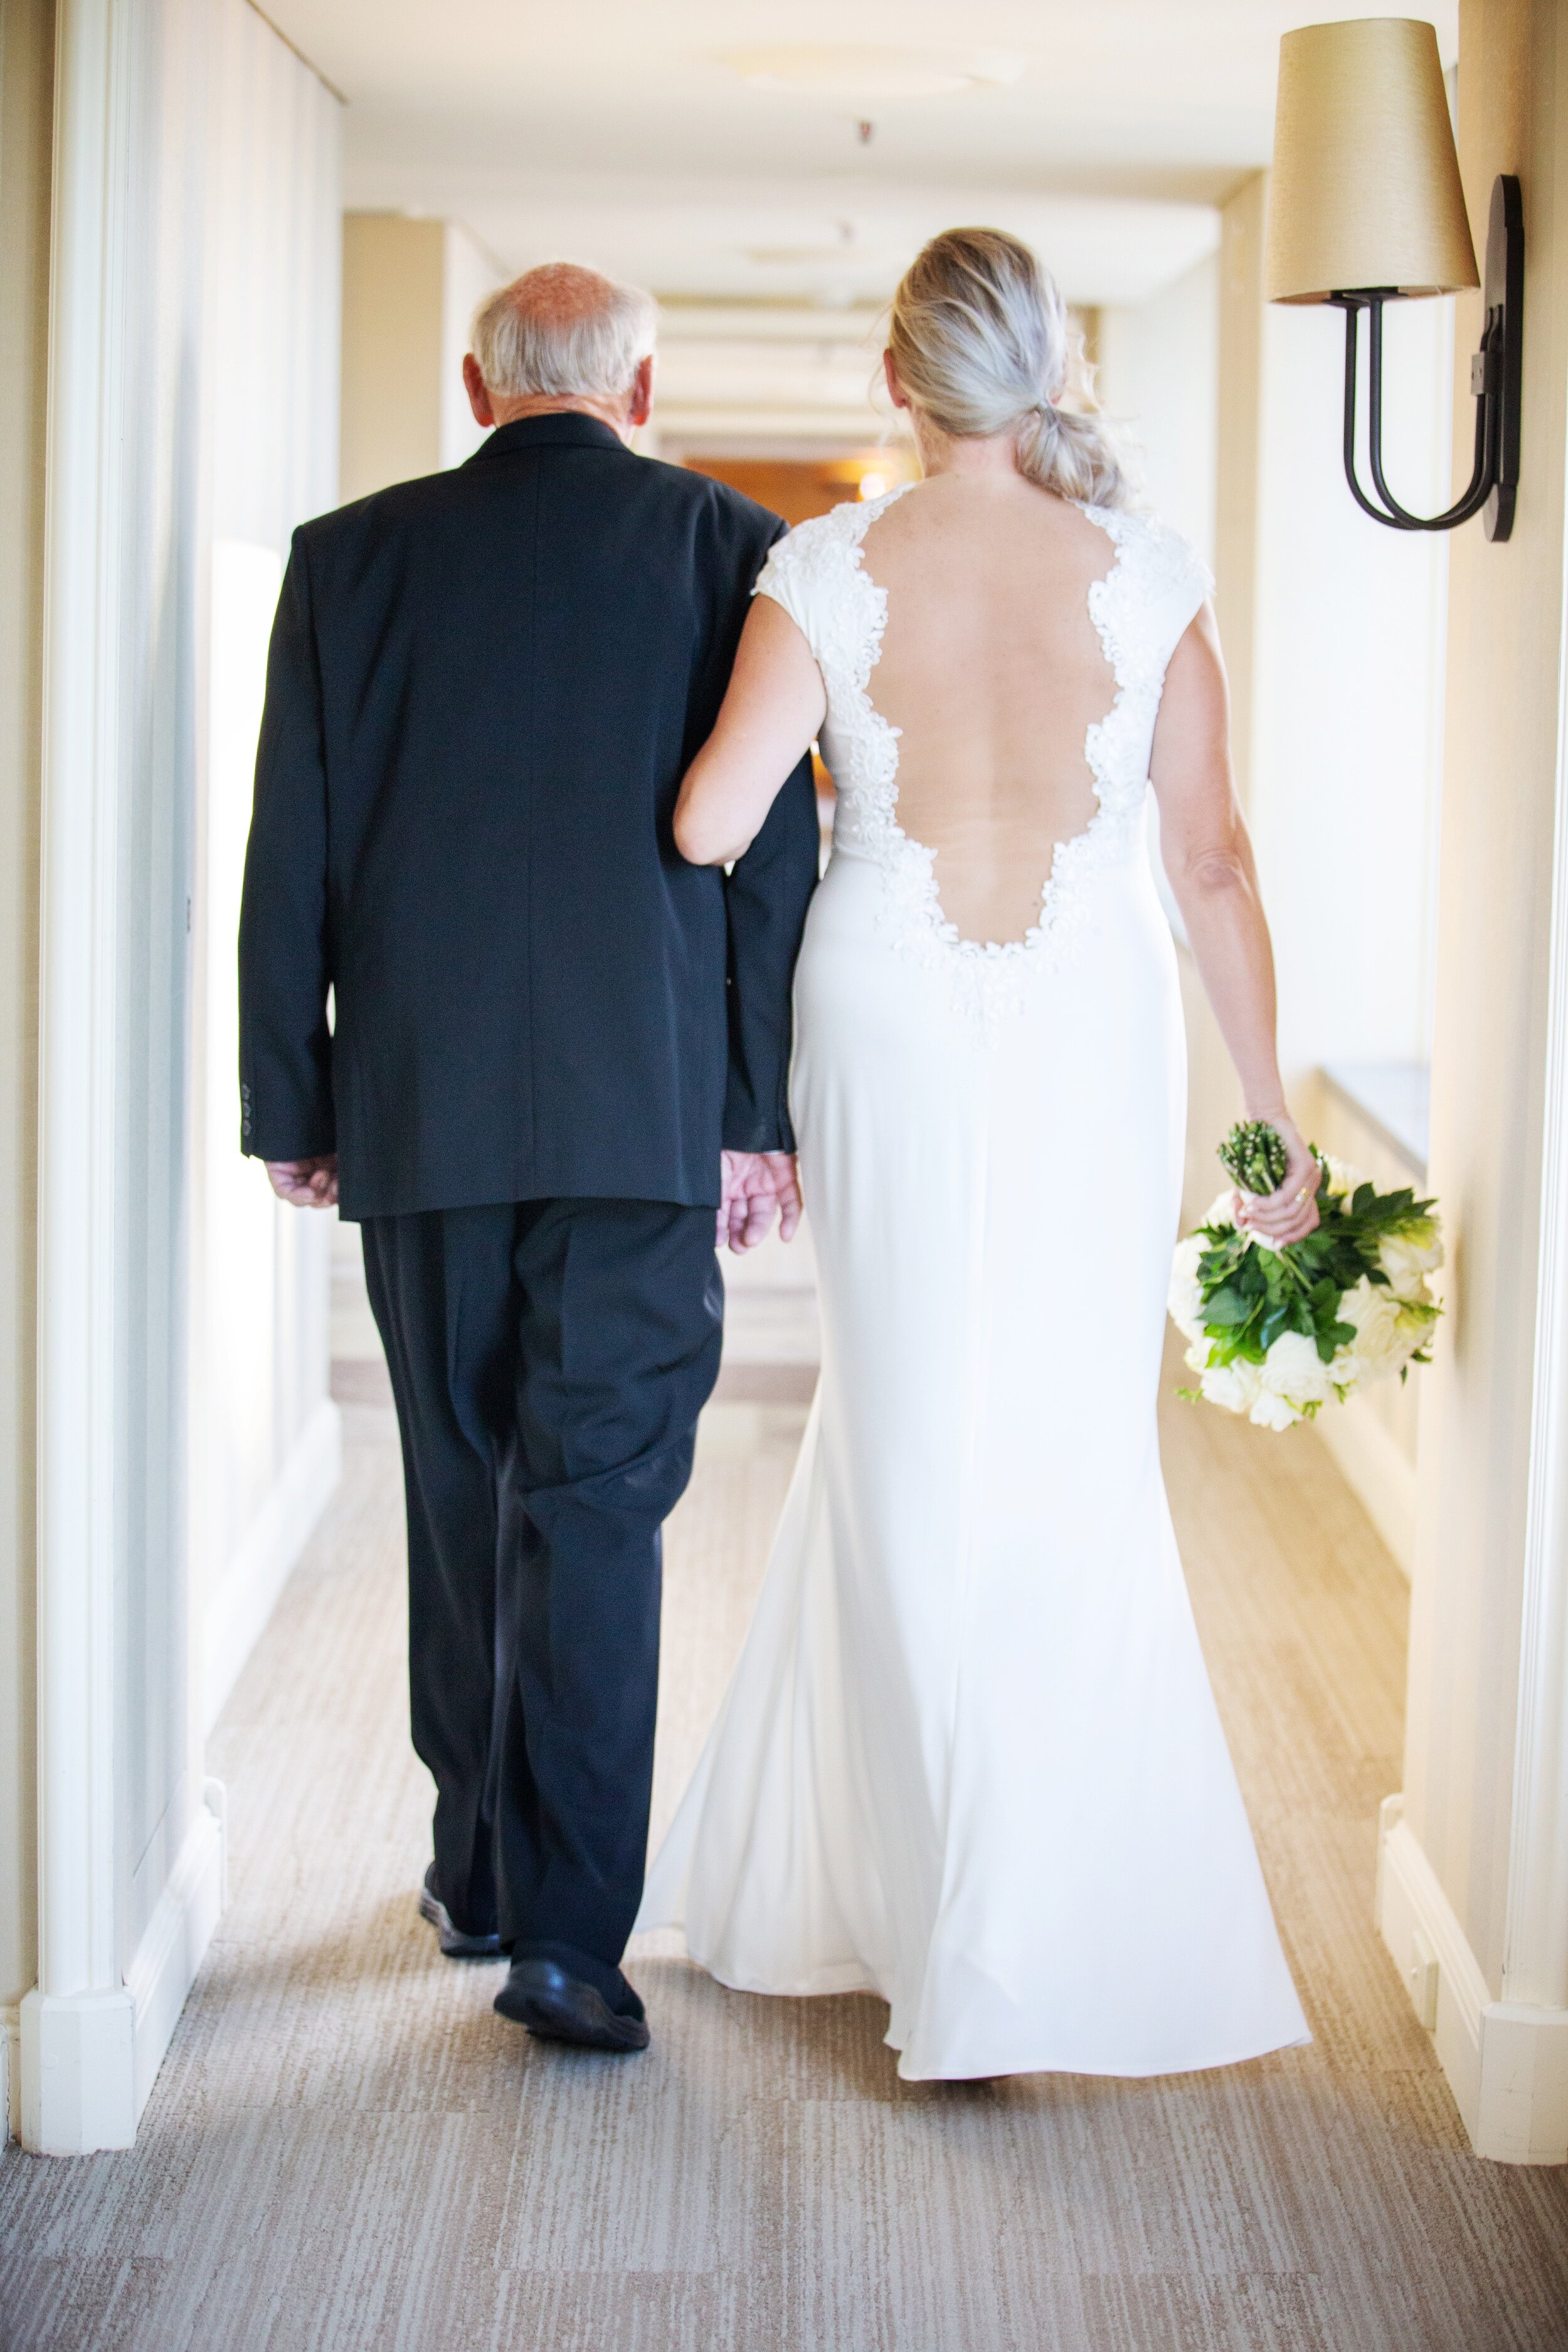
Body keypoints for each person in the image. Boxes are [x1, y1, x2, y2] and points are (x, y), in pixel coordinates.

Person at [637, 228, 1318, 2082]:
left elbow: (709, 823)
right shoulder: (1149, 573)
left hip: (889, 1015)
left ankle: (922, 1903)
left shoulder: (827, 569)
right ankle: (1017, 1914)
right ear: (1050, 366)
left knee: (906, 1421)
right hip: (1094, 1023)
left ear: (895, 378)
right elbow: (1209, 865)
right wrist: (1268, 1110)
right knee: (1069, 1440)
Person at [238, 263, 819, 2054]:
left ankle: (477, 1866)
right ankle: (567, 1936)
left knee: (456, 1483)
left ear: (477, 385)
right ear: (635, 382)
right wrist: (752, 1105)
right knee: (598, 1507)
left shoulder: (349, 557)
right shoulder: (739, 546)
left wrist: (296, 1101)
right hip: (642, 1111)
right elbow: (773, 865)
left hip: (424, 1105)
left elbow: (295, 849)